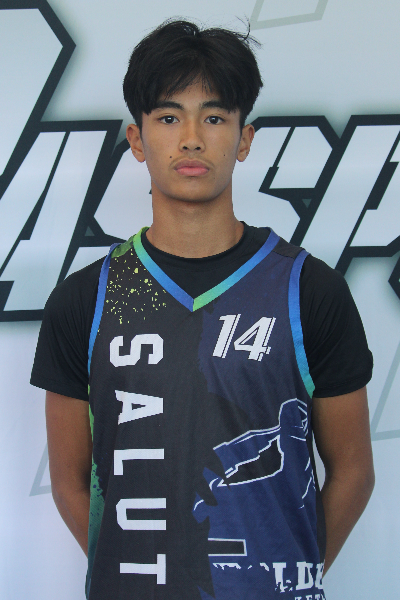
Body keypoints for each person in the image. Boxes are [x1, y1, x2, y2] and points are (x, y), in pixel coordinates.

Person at [31, 19, 375, 600]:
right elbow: (69, 481)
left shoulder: (309, 289)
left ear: (244, 139)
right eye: (169, 118)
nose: (191, 139)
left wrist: (283, 574)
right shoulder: (86, 299)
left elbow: (354, 473)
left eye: (214, 118)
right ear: (137, 139)